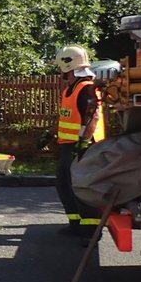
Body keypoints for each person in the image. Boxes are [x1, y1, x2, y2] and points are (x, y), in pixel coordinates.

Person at [54, 45, 106, 237]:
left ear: (68, 66)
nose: (59, 72)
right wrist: (50, 133)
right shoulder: (71, 89)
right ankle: (75, 223)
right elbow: (68, 116)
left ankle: (91, 230)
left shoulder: (86, 89)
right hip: (69, 145)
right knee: (64, 184)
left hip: (85, 146)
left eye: (60, 67)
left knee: (82, 188)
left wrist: (83, 143)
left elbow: (92, 117)